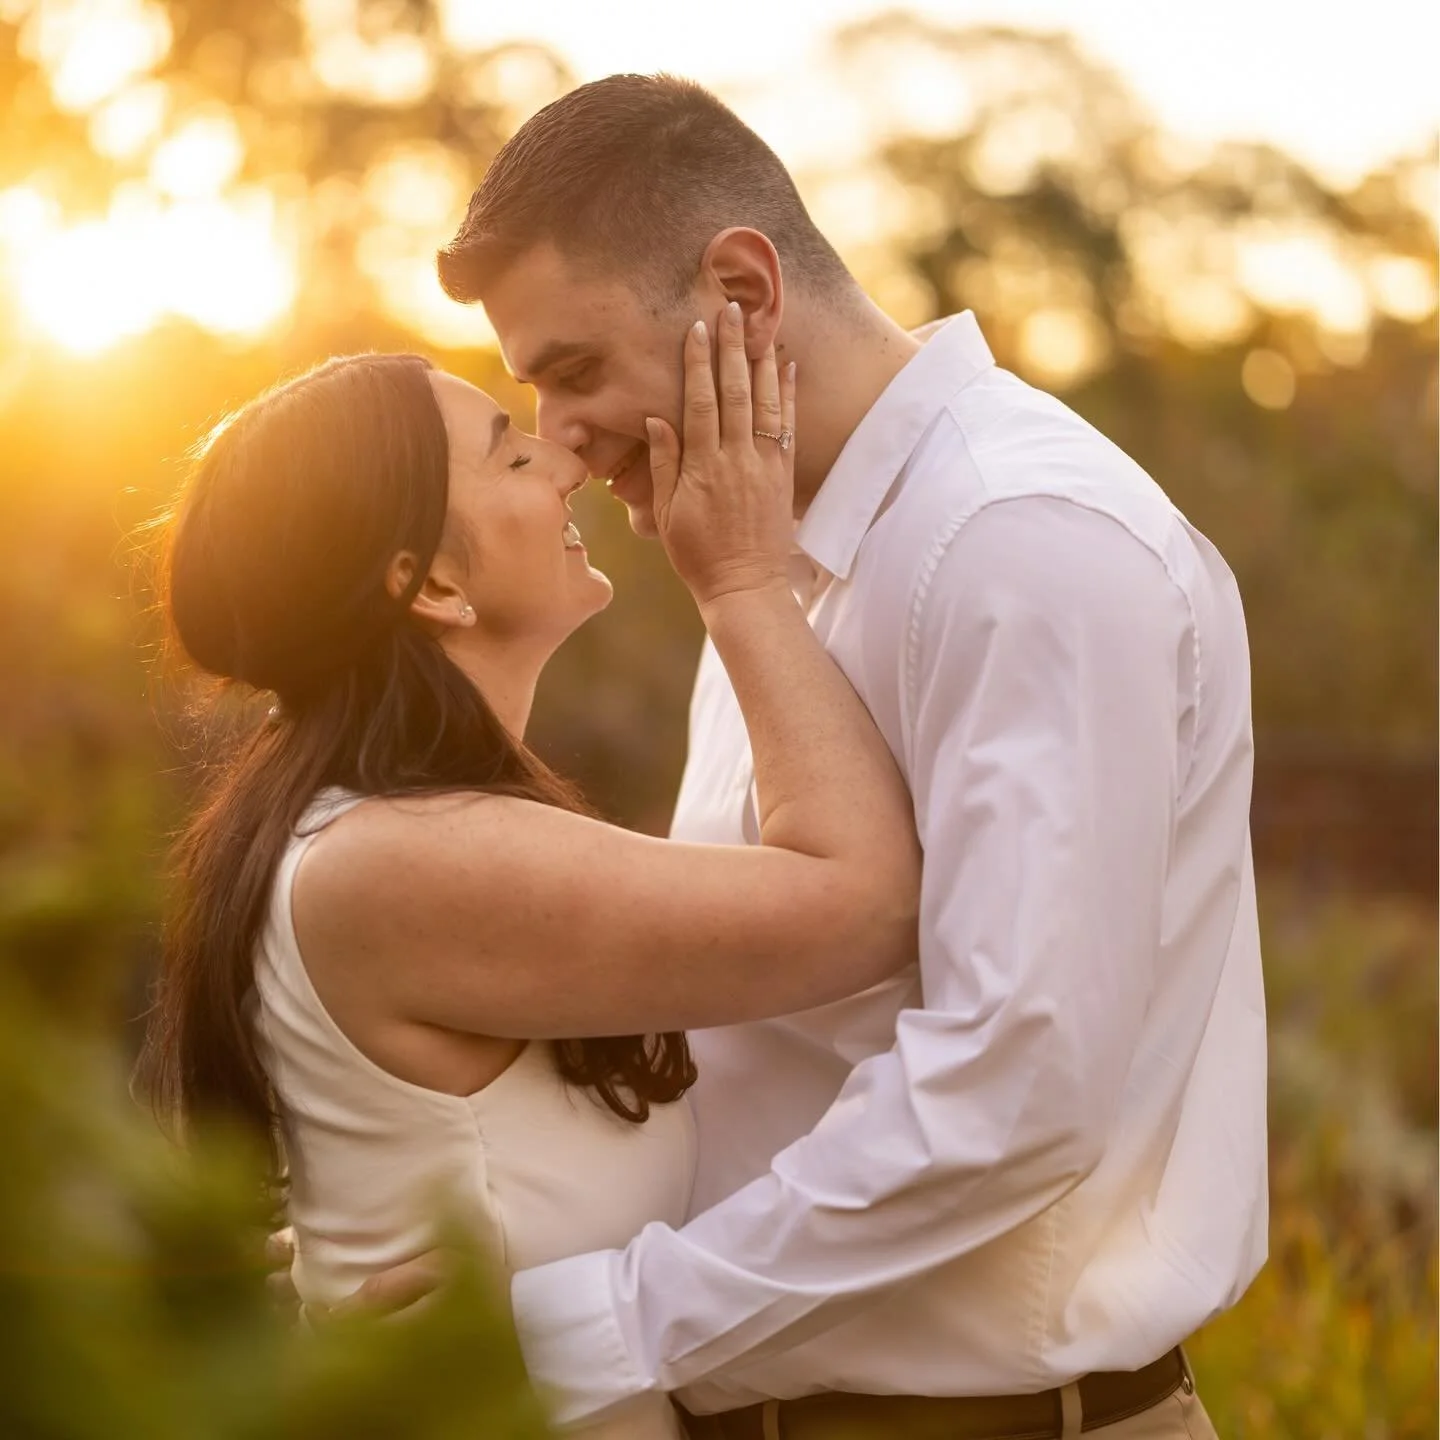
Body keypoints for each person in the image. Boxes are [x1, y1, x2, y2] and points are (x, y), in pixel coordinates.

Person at [351, 73, 1268, 1439]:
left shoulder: (1022, 545)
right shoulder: (765, 563)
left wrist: (591, 1325)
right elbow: (750, 1059)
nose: (561, 445)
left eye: (575, 372)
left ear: (741, 291)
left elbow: (1016, 1089)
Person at [139, 332, 922, 1440]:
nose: (561, 463)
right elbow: (866, 906)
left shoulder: (375, 837)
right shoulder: (405, 859)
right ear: (432, 584)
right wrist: (743, 579)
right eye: (509, 455)